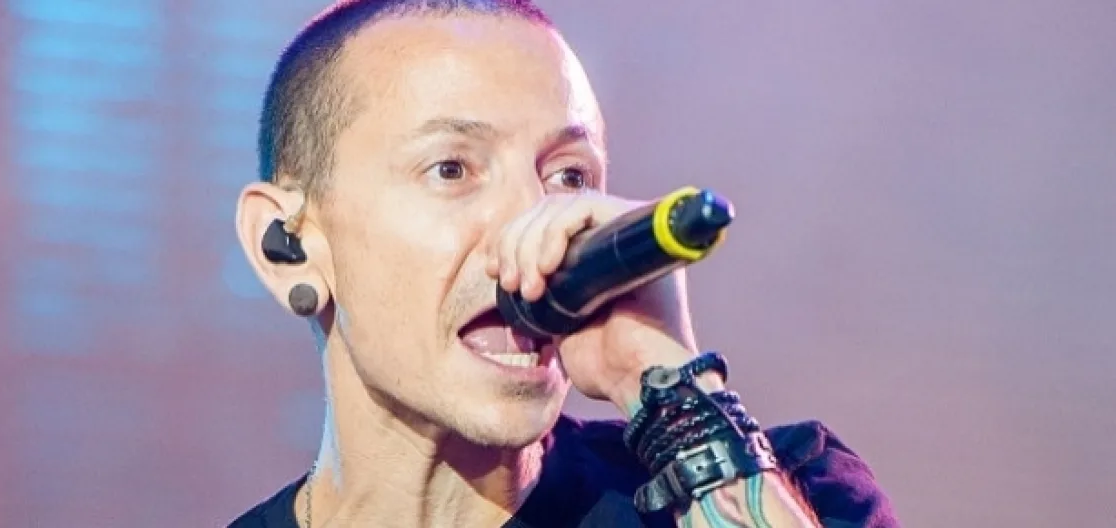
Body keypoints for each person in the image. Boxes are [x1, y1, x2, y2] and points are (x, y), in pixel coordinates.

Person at [229, 1, 898, 526]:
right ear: (286, 246)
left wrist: (673, 399)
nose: (532, 221)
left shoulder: (791, 484)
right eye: (452, 168)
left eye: (569, 176)